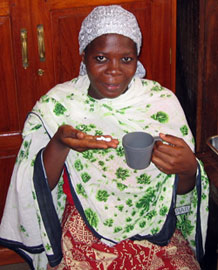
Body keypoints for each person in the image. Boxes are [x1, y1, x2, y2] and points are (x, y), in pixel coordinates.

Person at [0, 5, 209, 270]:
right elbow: (36, 184)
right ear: (84, 56)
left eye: (126, 59)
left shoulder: (161, 103)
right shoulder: (60, 105)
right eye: (100, 58)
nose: (114, 71)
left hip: (155, 224)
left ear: (137, 59)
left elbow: (180, 193)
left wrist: (189, 169)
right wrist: (60, 142)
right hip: (86, 219)